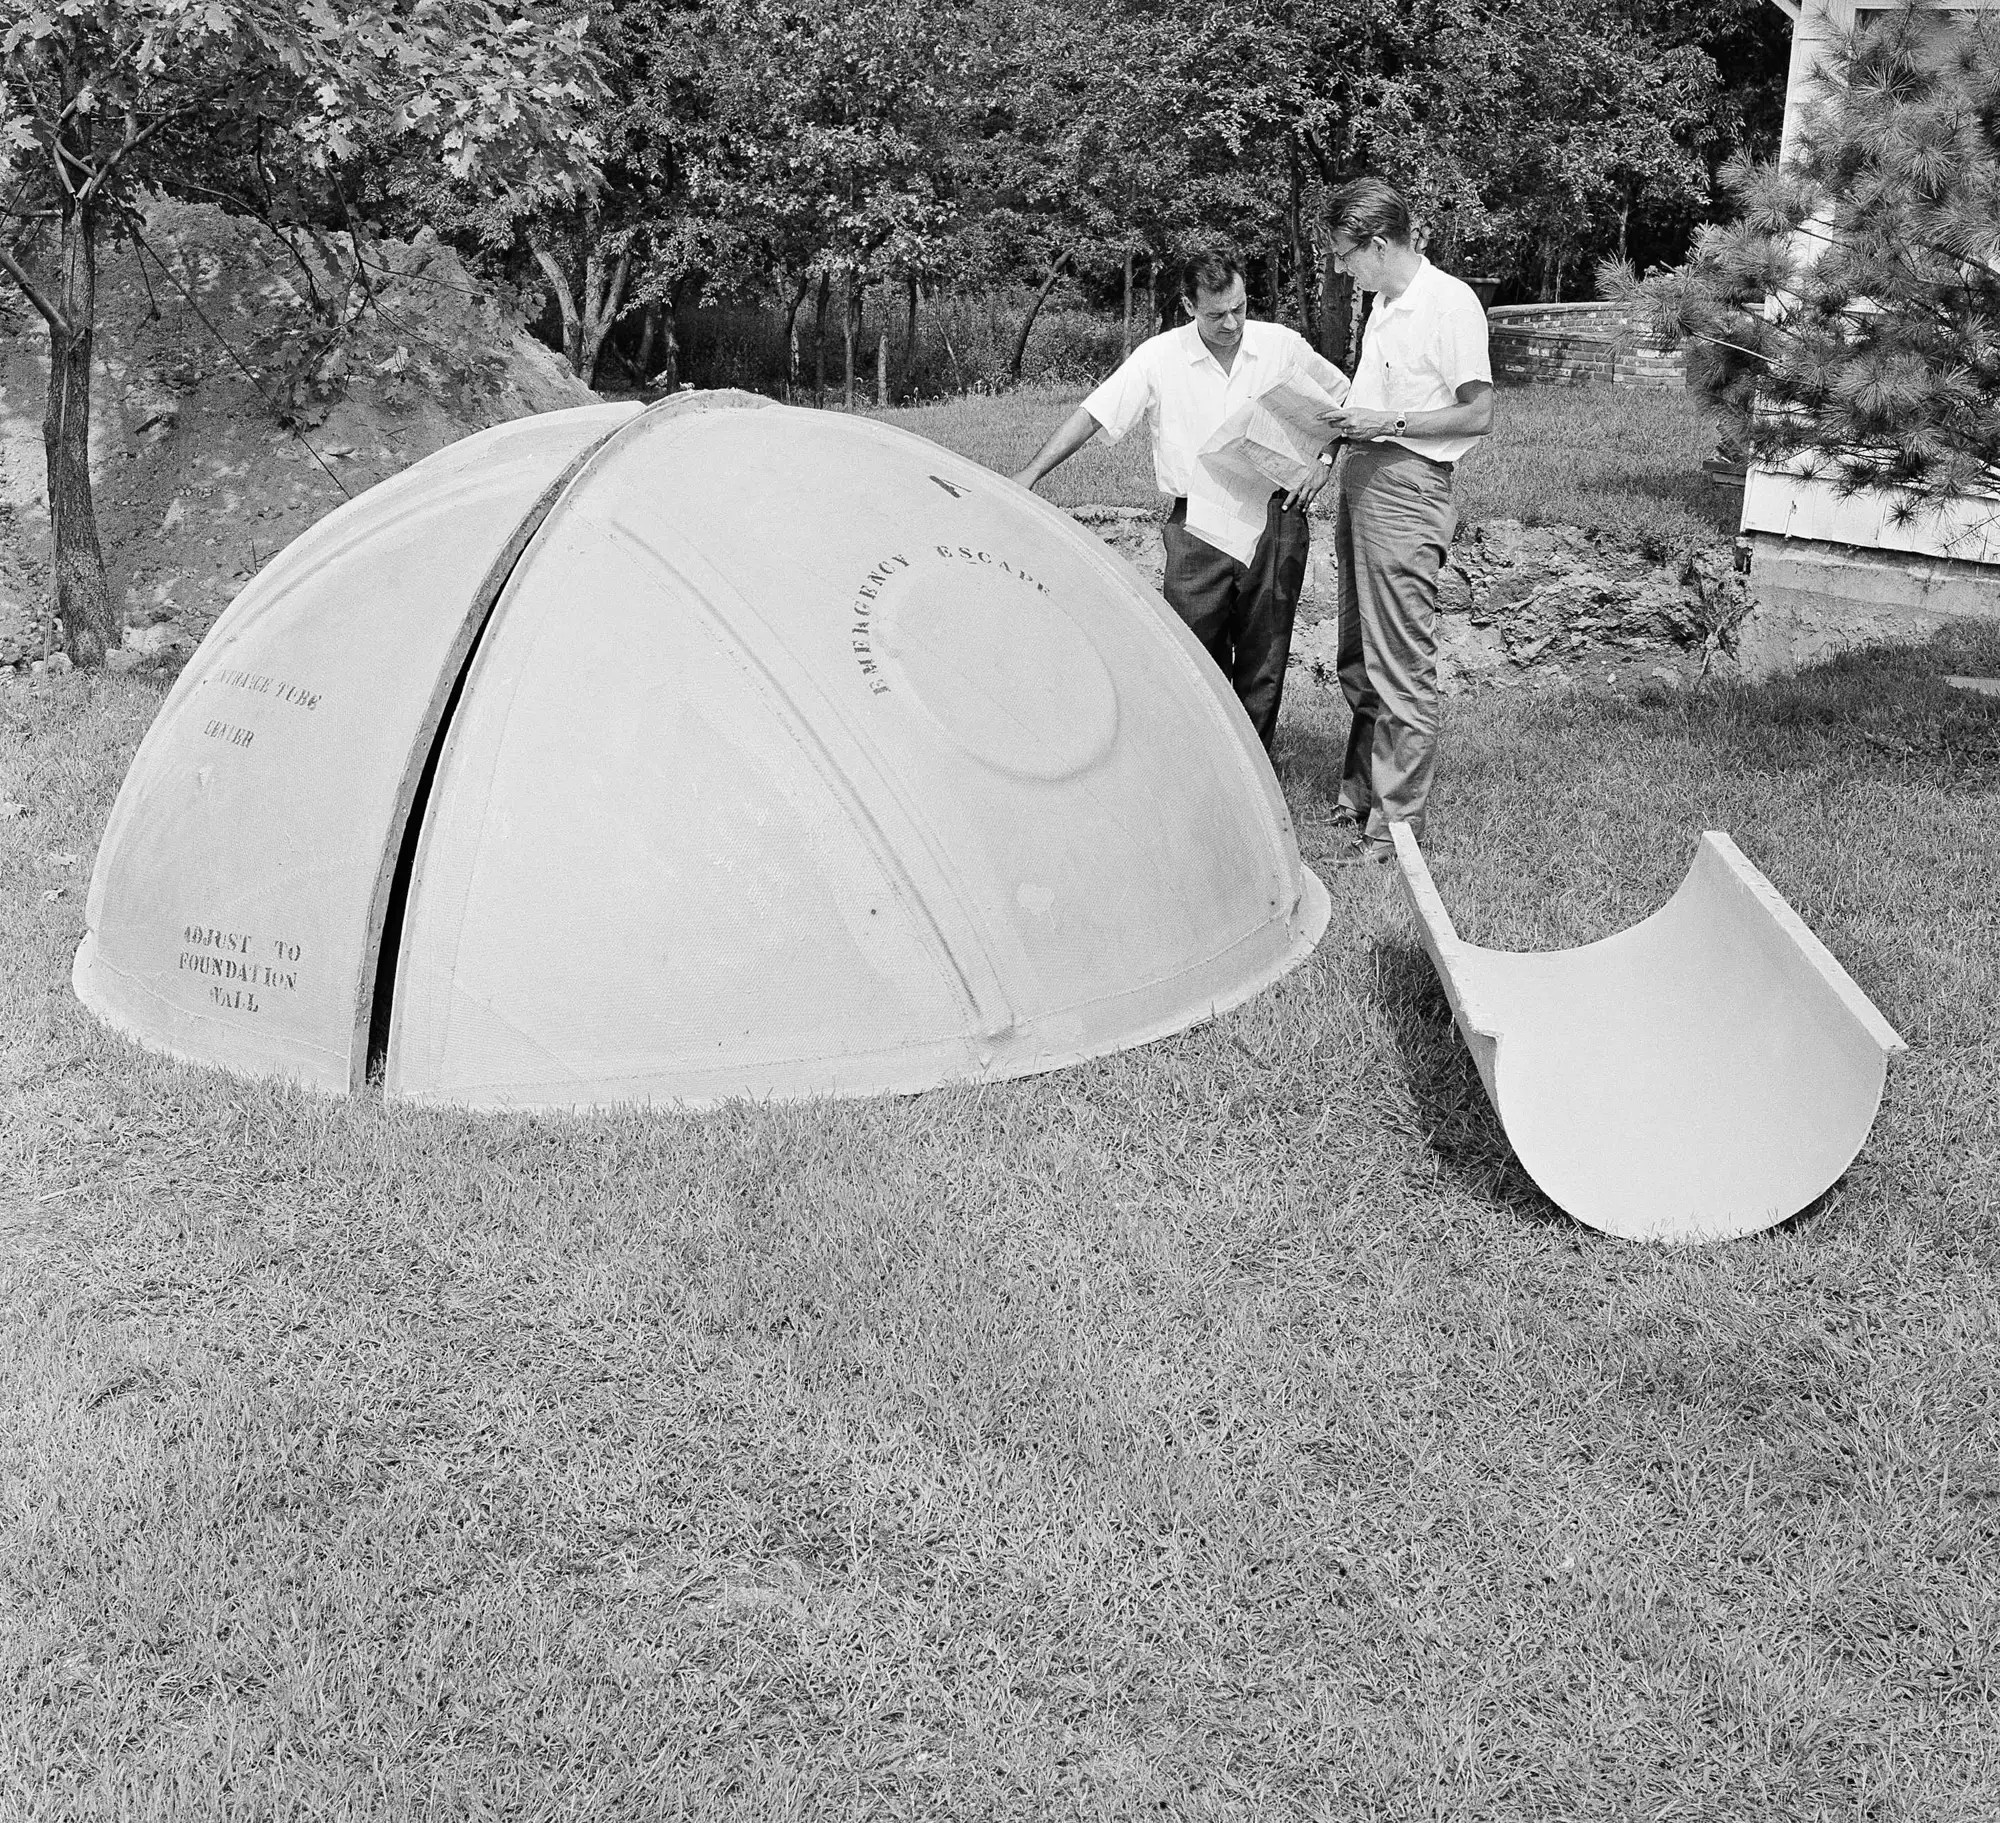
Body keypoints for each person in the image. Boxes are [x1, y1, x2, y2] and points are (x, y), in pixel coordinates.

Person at [1012, 252, 1350, 749]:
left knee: (1265, 655)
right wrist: (1032, 473)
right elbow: (1093, 415)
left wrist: (1324, 463)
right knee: (1192, 656)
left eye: (1239, 307)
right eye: (1216, 314)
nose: (1232, 323)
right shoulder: (1158, 356)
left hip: (1278, 514)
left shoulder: (1281, 345)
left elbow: (1343, 402)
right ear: (1190, 306)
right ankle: (1199, 768)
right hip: (1197, 524)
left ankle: (1254, 780)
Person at [1316, 178, 1494, 861]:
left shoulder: (1448, 304)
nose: (1341, 269)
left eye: (1345, 256)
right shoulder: (1385, 306)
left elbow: (1477, 412)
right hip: (1364, 481)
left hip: (1407, 486)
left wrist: (1385, 422)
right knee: (1358, 659)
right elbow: (1366, 401)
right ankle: (1358, 797)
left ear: (1380, 244)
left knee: (1399, 666)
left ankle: (1394, 831)